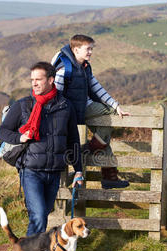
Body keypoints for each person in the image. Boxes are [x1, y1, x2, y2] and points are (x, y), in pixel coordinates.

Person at [0, 61, 83, 251]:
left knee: (43, 215)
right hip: (31, 170)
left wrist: (79, 170)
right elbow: (3, 131)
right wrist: (20, 137)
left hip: (54, 171)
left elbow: (73, 139)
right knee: (37, 216)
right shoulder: (24, 105)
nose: (34, 83)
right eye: (32, 80)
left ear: (51, 80)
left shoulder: (65, 106)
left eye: (39, 79)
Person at [51, 34, 130, 189]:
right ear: (76, 49)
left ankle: (109, 178)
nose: (91, 52)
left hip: (85, 106)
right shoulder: (63, 70)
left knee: (103, 139)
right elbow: (56, 96)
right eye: (88, 49)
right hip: (74, 111)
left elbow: (97, 88)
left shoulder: (85, 67)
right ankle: (91, 152)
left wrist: (115, 105)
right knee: (106, 127)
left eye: (91, 49)